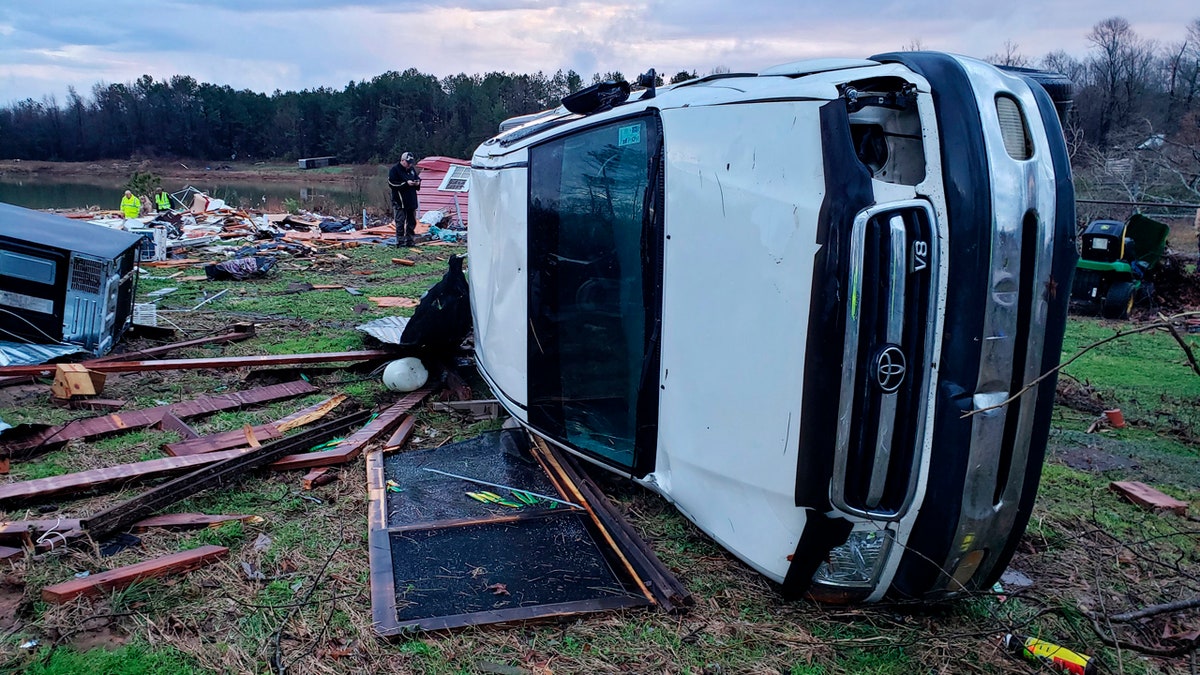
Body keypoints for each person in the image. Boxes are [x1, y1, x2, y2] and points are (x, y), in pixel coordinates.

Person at [388, 152, 421, 247]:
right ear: (402, 161)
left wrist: (417, 183)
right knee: (400, 222)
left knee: (412, 221)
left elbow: (417, 178)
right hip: (400, 201)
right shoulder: (395, 170)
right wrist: (406, 184)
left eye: (411, 163)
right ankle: (400, 242)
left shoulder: (411, 170)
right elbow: (392, 183)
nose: (409, 165)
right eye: (407, 162)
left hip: (411, 200)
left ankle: (410, 240)